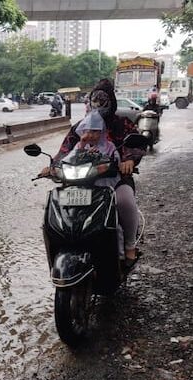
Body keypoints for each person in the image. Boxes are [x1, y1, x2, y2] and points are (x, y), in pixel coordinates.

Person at [41, 109, 141, 266]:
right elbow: (64, 158)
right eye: (88, 131)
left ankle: (128, 248)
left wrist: (125, 162)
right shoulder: (78, 145)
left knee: (123, 204)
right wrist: (52, 168)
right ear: (82, 131)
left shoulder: (110, 145)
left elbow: (117, 158)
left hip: (108, 185)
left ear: (102, 131)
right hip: (81, 186)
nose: (91, 135)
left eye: (95, 131)